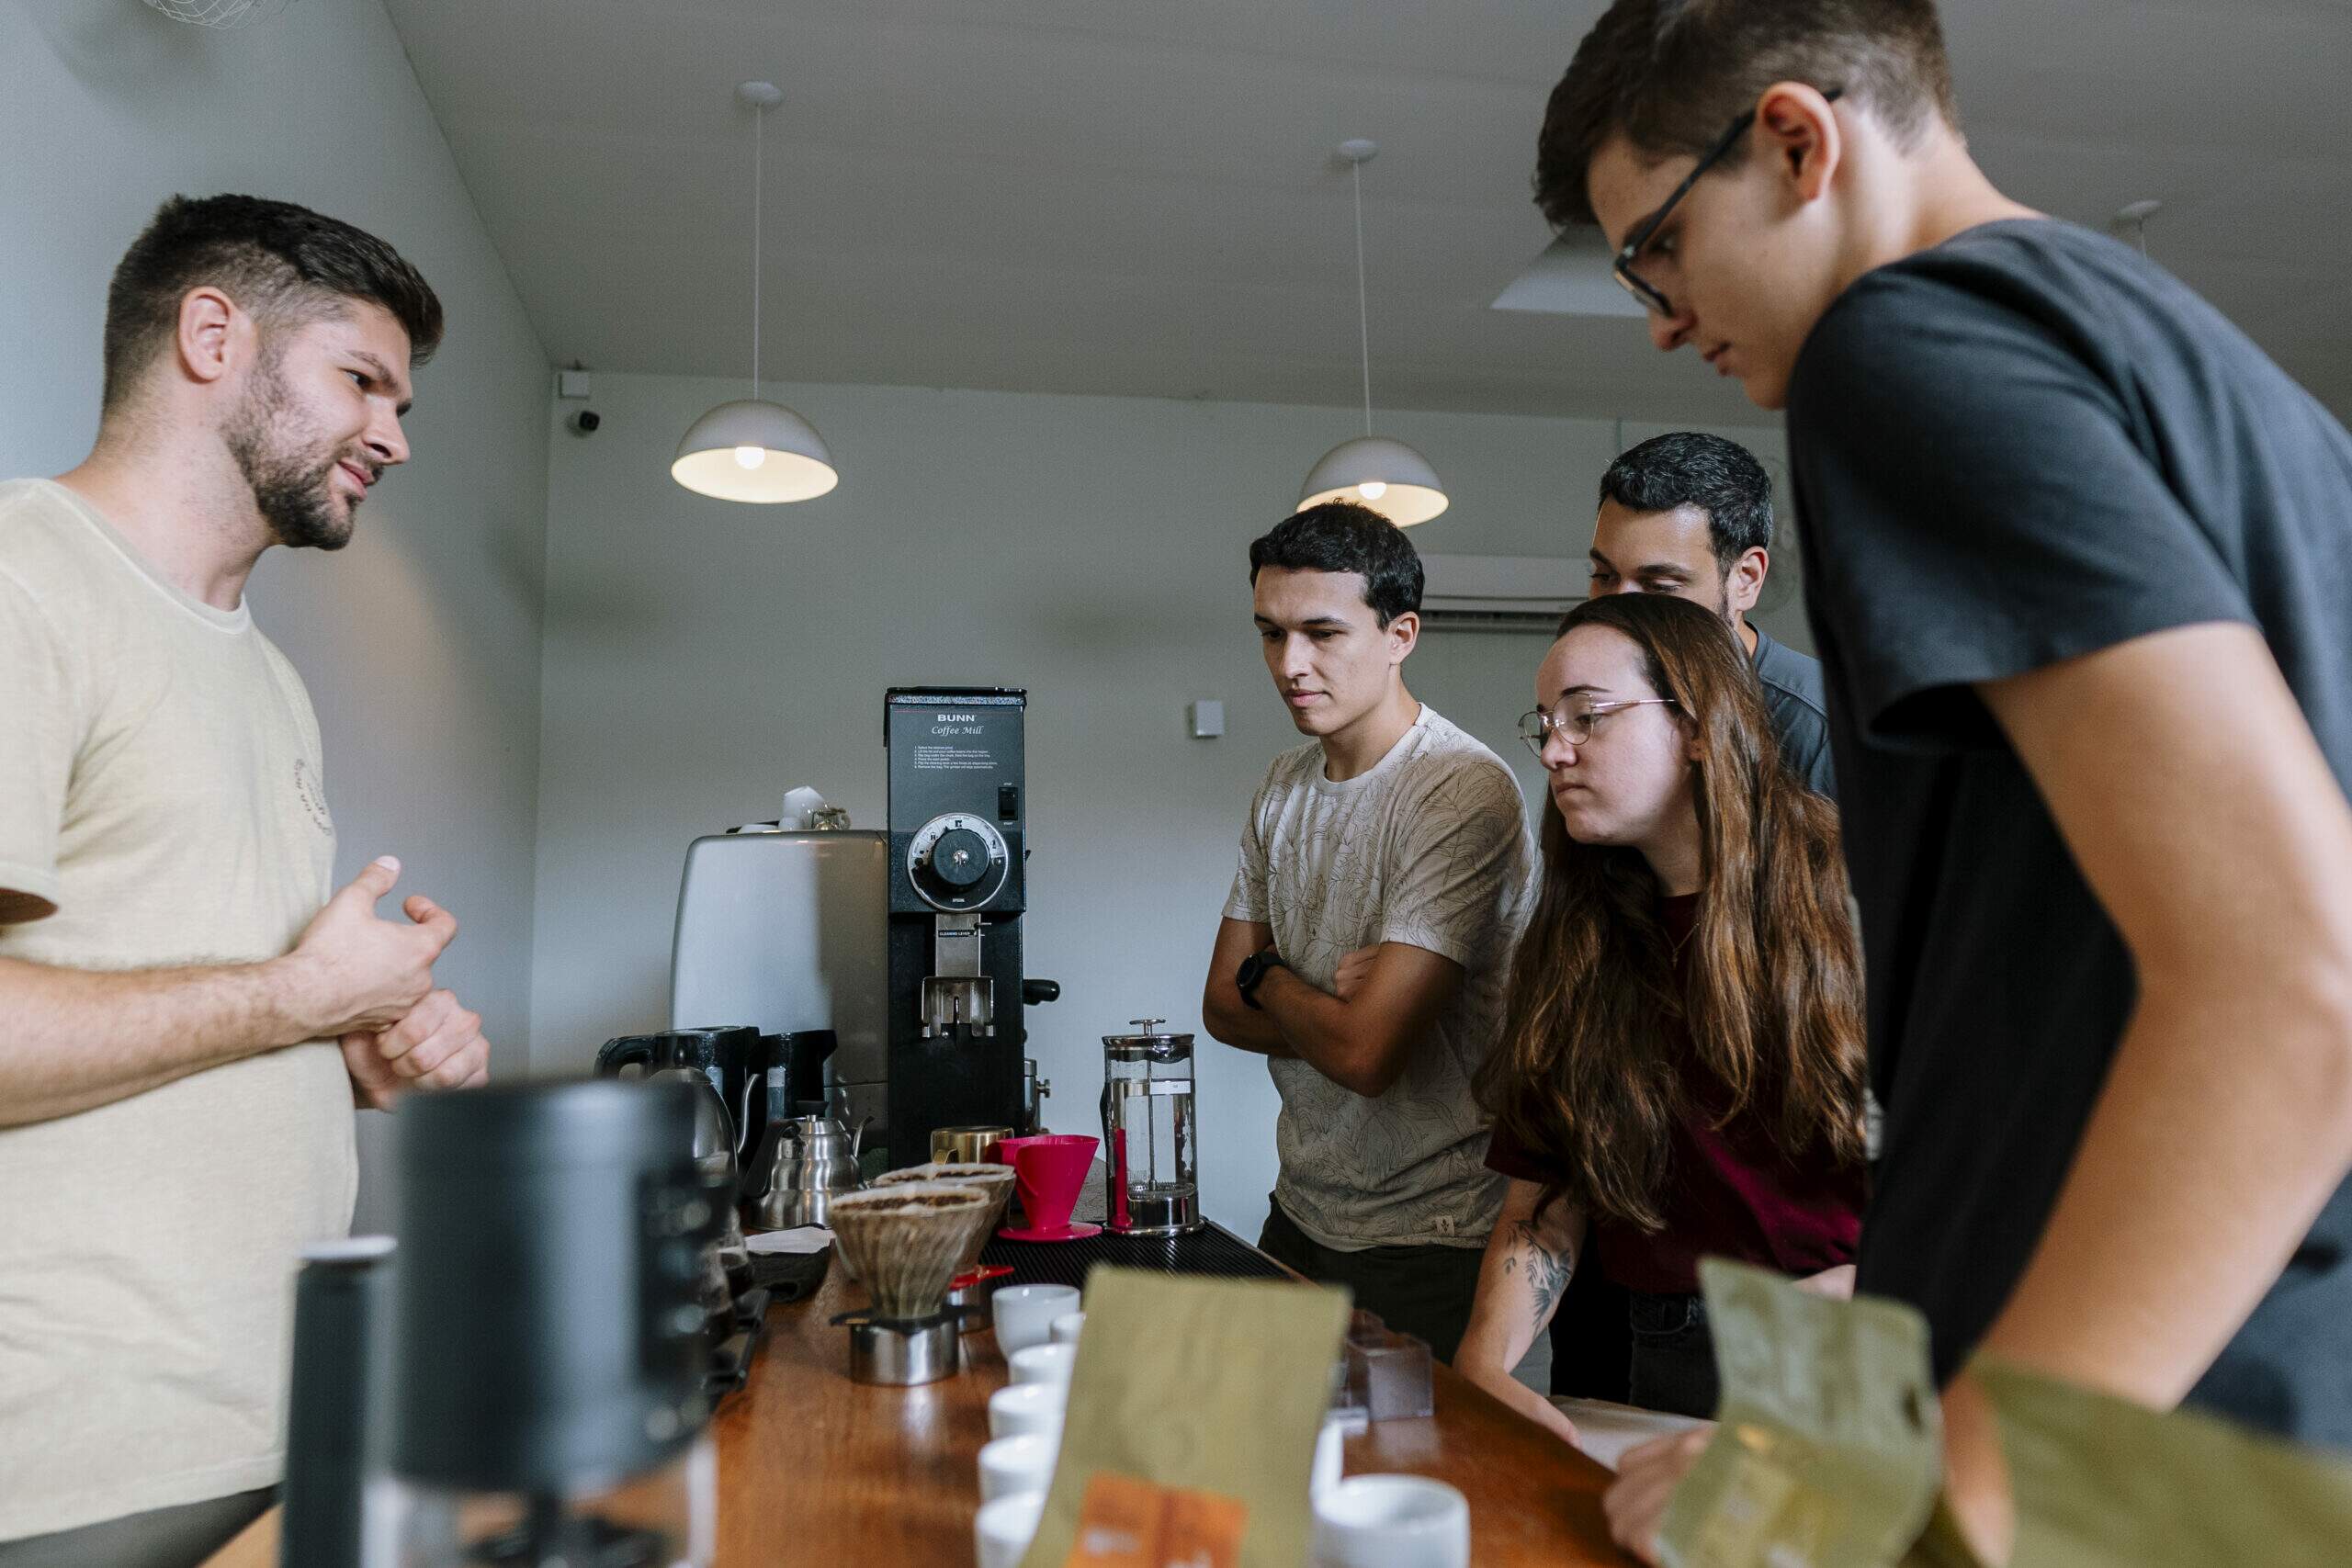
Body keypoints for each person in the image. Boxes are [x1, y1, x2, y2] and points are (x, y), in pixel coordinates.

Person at [1533, 1, 2352, 1558]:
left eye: (1657, 246)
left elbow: (2294, 978)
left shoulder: (1900, 345)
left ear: (1794, 141)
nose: (1655, 316)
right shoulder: (2181, 356)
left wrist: (1941, 1493)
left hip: (2147, 1460)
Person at [0, 195, 491, 1568]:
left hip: (274, 1430)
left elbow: (180, 1006)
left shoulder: (267, 675)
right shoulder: (22, 579)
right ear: (212, 335)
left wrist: (359, 1044)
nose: (394, 435)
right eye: (362, 380)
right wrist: (297, 993)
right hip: (68, 1466)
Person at [1452, 592, 1867, 1438]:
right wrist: (1486, 1366)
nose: (1556, 750)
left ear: (1702, 727)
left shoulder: (1848, 897)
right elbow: (1545, 1198)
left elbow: (1987, 1179)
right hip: (1668, 1351)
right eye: (1545, 725)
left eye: (1588, 718)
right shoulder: (1579, 937)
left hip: (1850, 1343)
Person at [1200, 502, 1534, 1363]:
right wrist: (1305, 999)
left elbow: (1366, 1055)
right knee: (1280, 1471)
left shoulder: (1458, 790)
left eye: (1321, 632)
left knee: (1409, 1490)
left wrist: (1269, 976)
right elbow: (1218, 1008)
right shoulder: (1284, 782)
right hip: (1302, 1205)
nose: (1290, 663)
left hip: (1433, 1231)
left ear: (1401, 634)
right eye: (1271, 634)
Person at [1588, 430, 1833, 798]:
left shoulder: (1819, 727)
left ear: (1746, 579)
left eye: (1660, 586)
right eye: (1604, 576)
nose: (1619, 610)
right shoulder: (1598, 701)